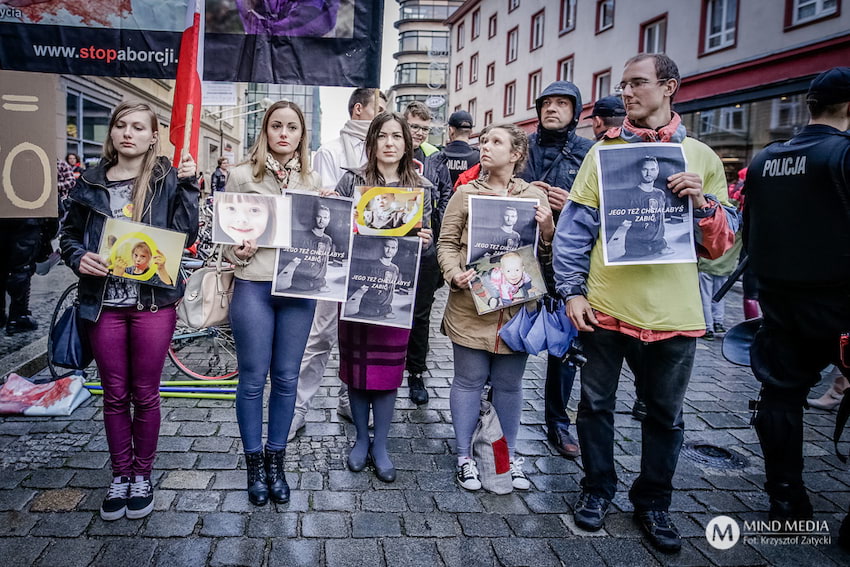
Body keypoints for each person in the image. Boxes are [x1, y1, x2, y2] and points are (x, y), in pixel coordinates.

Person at [553, 53, 737, 552]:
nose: (626, 93)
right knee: (594, 406)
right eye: (623, 85)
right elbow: (573, 232)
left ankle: (654, 503)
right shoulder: (601, 155)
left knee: (665, 417)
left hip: (676, 315)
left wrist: (703, 205)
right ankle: (597, 491)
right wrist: (571, 291)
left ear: (669, 87)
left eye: (637, 84)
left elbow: (722, 248)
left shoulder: (702, 157)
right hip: (606, 308)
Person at [59, 101, 199, 521]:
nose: (127, 133)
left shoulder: (166, 179)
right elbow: (67, 235)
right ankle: (120, 475)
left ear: (153, 136)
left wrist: (191, 187)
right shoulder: (90, 181)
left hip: (152, 304)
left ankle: (143, 475)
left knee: (146, 394)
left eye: (138, 127)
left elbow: (186, 234)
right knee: (115, 395)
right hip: (103, 304)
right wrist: (77, 256)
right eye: (121, 125)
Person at [743, 68, 850, 537]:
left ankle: (786, 498)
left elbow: (751, 232)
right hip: (840, 302)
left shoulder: (768, 158)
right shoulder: (843, 154)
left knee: (779, 396)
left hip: (781, 300)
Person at [438, 123, 554, 493]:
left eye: (496, 142)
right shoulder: (465, 193)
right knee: (468, 382)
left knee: (509, 385)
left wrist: (549, 229)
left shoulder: (535, 196)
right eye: (483, 141)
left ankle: (506, 455)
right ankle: (464, 457)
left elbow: (548, 254)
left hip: (517, 310)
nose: (485, 147)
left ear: (517, 154)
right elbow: (447, 243)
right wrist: (454, 272)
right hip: (471, 307)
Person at [221, 100, 321, 506]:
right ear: (265, 131)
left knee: (285, 378)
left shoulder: (313, 181)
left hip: (298, 290)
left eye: (292, 127)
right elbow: (224, 239)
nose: (284, 133)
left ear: (301, 135)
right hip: (254, 286)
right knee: (251, 379)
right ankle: (253, 465)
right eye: (276, 126)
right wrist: (238, 253)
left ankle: (276, 460)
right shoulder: (242, 176)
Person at [333, 111, 434, 483]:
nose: (390, 143)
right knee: (358, 370)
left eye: (397, 136)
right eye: (382, 136)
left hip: (397, 293)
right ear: (371, 141)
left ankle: (381, 444)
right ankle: (361, 438)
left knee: (388, 371)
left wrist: (425, 243)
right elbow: (335, 233)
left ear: (407, 143)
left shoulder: (422, 185)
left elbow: (430, 242)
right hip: (358, 287)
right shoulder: (352, 181)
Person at [289, 88, 386, 441]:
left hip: (370, 261)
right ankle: (298, 408)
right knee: (321, 336)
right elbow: (325, 205)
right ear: (359, 109)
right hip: (335, 260)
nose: (382, 119)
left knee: (358, 336)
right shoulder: (330, 151)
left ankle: (348, 398)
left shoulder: (388, 155)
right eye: (378, 110)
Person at [518, 80, 595, 460]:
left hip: (564, 258)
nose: (552, 109)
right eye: (547, 102)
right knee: (504, 334)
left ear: (575, 110)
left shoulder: (588, 151)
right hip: (516, 255)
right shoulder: (521, 146)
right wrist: (519, 190)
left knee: (564, 346)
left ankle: (557, 422)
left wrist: (573, 205)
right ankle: (494, 409)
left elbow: (599, 207)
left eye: (562, 103)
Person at [402, 101, 453, 405]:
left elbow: (446, 194)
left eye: (424, 128)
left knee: (421, 314)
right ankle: (389, 366)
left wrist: (438, 232)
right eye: (414, 126)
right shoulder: (391, 153)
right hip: (393, 247)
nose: (419, 133)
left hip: (425, 249)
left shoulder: (435, 159)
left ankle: (416, 372)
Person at [622, 156, 675, 258]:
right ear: (639, 171)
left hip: (658, 243)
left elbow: (660, 218)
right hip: (637, 245)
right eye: (645, 169)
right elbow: (625, 220)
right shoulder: (631, 194)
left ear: (657, 171)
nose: (648, 173)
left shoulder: (660, 194)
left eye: (652, 169)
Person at [279, 204, 334, 293]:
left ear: (329, 220)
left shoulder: (328, 240)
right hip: (302, 282)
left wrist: (322, 282)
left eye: (325, 217)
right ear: (314, 218)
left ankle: (319, 283)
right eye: (319, 217)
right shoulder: (303, 237)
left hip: (320, 282)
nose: (321, 220)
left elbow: (324, 262)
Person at [348, 237, 401, 319]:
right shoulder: (372, 265)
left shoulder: (395, 269)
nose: (389, 250)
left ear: (396, 249)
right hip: (369, 307)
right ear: (382, 247)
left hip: (386, 308)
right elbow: (360, 284)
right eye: (387, 246)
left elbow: (391, 289)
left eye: (393, 248)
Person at [431, 110, 481, 186]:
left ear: (451, 130)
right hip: (467, 197)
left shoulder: (437, 155)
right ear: (471, 132)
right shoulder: (478, 157)